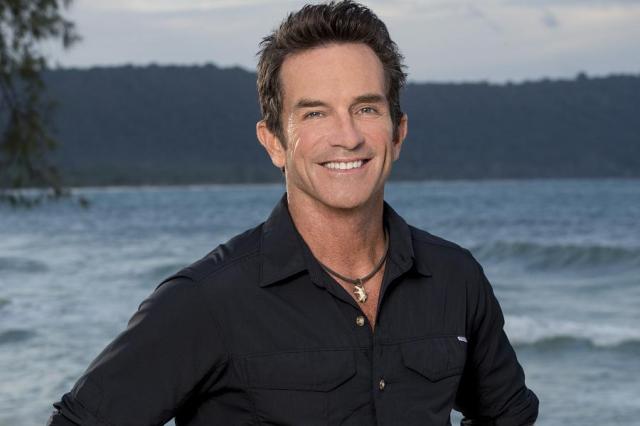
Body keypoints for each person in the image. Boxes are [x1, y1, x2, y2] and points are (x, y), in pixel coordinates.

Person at [48, 1, 538, 425]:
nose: (347, 136)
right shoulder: (205, 302)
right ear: (274, 142)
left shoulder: (455, 279)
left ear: (397, 132)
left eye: (366, 109)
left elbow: (507, 415)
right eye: (315, 113)